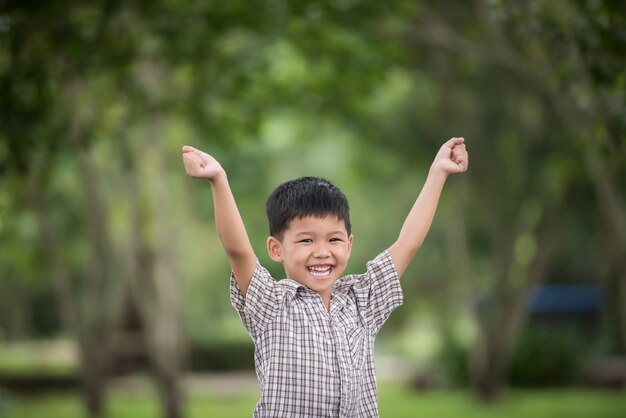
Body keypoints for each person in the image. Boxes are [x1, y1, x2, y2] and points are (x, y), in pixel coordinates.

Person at [181, 137, 468, 417]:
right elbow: (238, 251)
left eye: (333, 240)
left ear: (349, 244)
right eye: (306, 241)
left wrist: (438, 172)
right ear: (276, 249)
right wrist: (218, 180)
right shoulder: (271, 305)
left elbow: (408, 243)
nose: (322, 252)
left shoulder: (361, 302)